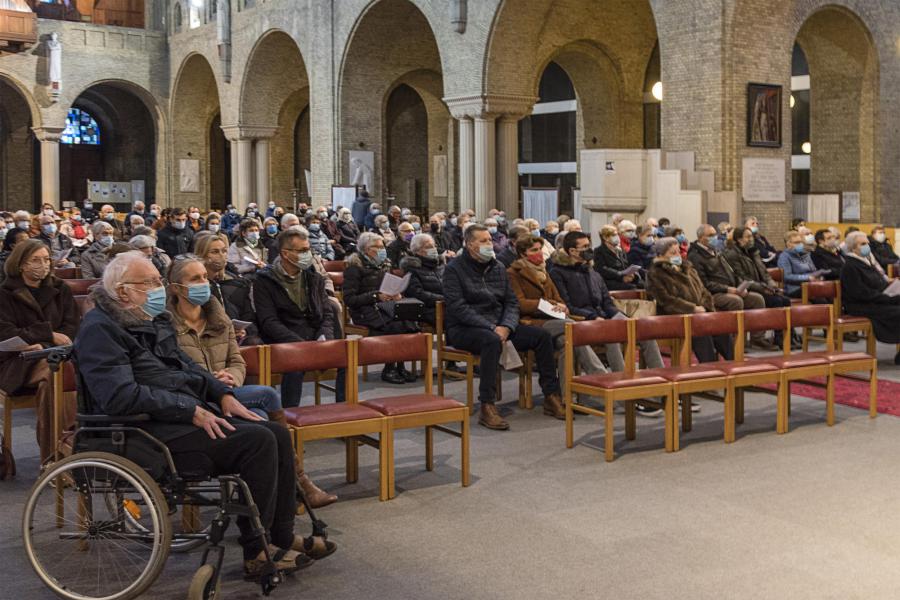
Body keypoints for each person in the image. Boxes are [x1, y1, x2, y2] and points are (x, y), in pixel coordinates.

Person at [75, 251, 332, 578]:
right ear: (124, 291)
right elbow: (119, 396)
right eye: (151, 283)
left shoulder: (153, 319)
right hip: (140, 430)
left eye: (158, 281)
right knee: (257, 442)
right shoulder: (101, 329)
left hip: (175, 417)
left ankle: (280, 535)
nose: (159, 289)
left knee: (276, 432)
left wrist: (221, 394)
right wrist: (191, 410)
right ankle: (257, 551)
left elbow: (186, 367)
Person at [443, 225, 564, 430]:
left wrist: (506, 326)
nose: (489, 244)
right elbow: (458, 307)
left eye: (490, 240)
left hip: (500, 325)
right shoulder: (454, 269)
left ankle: (551, 396)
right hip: (465, 328)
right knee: (491, 341)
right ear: (470, 244)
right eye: (483, 241)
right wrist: (492, 326)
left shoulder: (497, 267)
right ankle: (487, 405)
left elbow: (511, 302)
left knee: (541, 336)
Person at [550, 232, 667, 416]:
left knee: (643, 333)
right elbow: (568, 306)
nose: (590, 250)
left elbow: (606, 302)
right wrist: (593, 318)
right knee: (611, 337)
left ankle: (660, 387)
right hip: (583, 322)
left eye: (589, 245)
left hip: (603, 318)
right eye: (585, 247)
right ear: (572, 251)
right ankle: (625, 391)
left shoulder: (592, 271)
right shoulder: (558, 273)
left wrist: (620, 317)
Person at [509, 234, 618, 411]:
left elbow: (558, 298)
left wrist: (561, 306)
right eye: (533, 250)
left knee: (568, 344)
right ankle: (601, 377)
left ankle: (568, 397)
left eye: (539, 249)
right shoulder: (513, 273)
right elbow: (519, 303)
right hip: (532, 322)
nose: (538, 254)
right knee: (575, 329)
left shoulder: (543, 270)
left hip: (555, 320)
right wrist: (545, 304)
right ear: (523, 254)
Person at [0, 239, 80, 463]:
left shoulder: (59, 288)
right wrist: (48, 334)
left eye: (46, 259)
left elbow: (71, 327)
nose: (42, 265)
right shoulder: (5, 293)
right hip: (16, 361)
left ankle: (55, 456)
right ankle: (59, 454)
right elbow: (6, 334)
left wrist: (43, 343)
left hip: (56, 355)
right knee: (56, 371)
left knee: (55, 374)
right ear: (21, 264)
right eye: (36, 260)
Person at [254, 229, 344, 404]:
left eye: (308, 249)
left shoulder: (313, 277)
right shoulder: (264, 280)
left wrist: (325, 337)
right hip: (286, 338)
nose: (308, 254)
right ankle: (290, 415)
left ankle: (345, 410)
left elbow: (326, 312)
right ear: (285, 254)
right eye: (302, 251)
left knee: (345, 357)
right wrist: (300, 344)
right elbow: (269, 322)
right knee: (295, 364)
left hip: (315, 335)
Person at [343, 232, 419, 384]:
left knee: (407, 322)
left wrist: (396, 293)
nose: (381, 249)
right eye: (376, 247)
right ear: (365, 249)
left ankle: (400, 366)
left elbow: (388, 287)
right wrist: (376, 296)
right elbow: (349, 299)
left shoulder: (384, 265)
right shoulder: (354, 268)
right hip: (364, 310)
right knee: (395, 325)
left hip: (384, 306)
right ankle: (389, 368)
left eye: (382, 246)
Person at [646, 237, 732, 363]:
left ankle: (735, 366)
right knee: (701, 332)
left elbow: (704, 291)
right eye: (673, 253)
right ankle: (710, 369)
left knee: (721, 328)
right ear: (661, 255)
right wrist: (692, 308)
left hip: (699, 314)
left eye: (678, 252)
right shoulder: (656, 273)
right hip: (674, 316)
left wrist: (705, 307)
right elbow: (666, 300)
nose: (678, 255)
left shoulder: (688, 268)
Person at [688, 225, 770, 349]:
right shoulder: (695, 256)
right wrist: (728, 289)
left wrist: (740, 287)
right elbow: (704, 283)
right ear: (700, 238)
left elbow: (731, 272)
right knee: (735, 301)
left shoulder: (716, 252)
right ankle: (735, 344)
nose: (714, 238)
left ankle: (758, 339)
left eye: (715, 234)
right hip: (711, 294)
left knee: (756, 299)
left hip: (730, 289)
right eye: (710, 235)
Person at [840, 232, 900, 364]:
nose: (867, 246)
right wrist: (888, 298)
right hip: (860, 305)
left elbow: (879, 283)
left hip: (877, 300)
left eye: (867, 243)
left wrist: (892, 290)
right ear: (852, 248)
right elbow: (860, 293)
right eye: (863, 244)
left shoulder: (867, 262)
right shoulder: (850, 266)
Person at [400, 233, 444, 325]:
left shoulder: (441, 266)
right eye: (428, 247)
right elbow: (417, 293)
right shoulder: (412, 269)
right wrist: (444, 299)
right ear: (418, 251)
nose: (434, 249)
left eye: (434, 246)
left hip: (448, 305)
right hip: (429, 309)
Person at [594, 224, 642, 290]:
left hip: (623, 278)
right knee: (632, 287)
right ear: (605, 237)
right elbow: (602, 269)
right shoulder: (599, 251)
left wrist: (632, 275)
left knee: (643, 285)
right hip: (609, 281)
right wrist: (621, 276)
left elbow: (626, 265)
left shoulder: (620, 250)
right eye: (614, 235)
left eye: (617, 235)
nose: (617, 237)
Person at [777, 230, 821, 298]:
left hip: (810, 284)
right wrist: (807, 278)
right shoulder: (784, 257)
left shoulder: (806, 254)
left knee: (829, 293)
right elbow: (787, 276)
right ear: (788, 244)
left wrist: (818, 275)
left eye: (800, 242)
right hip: (794, 288)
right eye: (796, 242)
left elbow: (813, 270)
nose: (800, 244)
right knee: (819, 296)